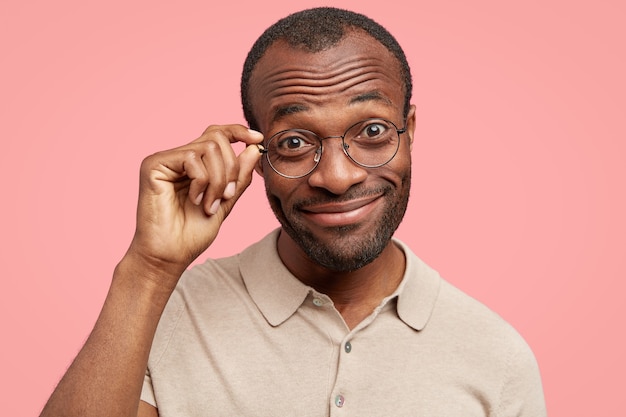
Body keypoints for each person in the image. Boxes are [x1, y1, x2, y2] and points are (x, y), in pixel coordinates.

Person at [40, 7, 546, 417]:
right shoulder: (164, 314)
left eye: (371, 132)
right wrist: (149, 270)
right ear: (256, 154)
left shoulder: (495, 356)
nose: (337, 177)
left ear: (409, 130)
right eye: (295, 141)